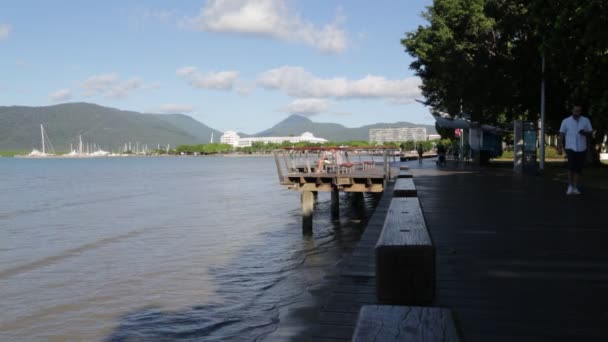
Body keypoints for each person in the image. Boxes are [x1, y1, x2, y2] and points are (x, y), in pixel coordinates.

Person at [557, 103, 593, 195]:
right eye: (575, 110)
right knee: (571, 167)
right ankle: (570, 186)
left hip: (582, 147)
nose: (577, 112)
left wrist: (584, 133)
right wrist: (559, 147)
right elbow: (561, 135)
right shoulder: (566, 121)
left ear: (581, 111)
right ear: (572, 111)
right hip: (570, 147)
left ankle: (575, 187)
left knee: (578, 169)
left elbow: (590, 133)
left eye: (579, 110)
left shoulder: (585, 120)